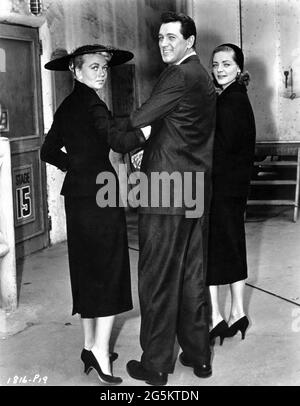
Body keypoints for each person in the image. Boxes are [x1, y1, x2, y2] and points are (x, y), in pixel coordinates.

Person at [41, 45, 148, 385]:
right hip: (100, 197)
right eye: (93, 67)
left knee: (89, 270)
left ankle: (90, 346)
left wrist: (78, 168)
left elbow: (48, 150)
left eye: (103, 67)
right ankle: (101, 353)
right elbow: (117, 141)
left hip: (78, 197)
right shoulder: (93, 104)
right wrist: (146, 132)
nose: (101, 72)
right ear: (75, 71)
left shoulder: (69, 104)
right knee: (108, 270)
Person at [126, 12, 216, 385]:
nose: (163, 44)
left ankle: (157, 364)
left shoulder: (179, 74)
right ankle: (199, 356)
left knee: (158, 276)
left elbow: (142, 117)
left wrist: (131, 139)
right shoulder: (203, 77)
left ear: (190, 41)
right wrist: (151, 146)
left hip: (166, 190)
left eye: (171, 38)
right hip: (196, 186)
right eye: (160, 38)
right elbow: (178, 125)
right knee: (193, 274)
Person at [206, 44, 256, 345]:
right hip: (234, 188)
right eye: (215, 64)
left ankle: (214, 317)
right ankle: (238, 313)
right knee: (234, 246)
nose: (220, 69)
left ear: (239, 68)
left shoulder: (228, 102)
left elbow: (216, 149)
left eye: (227, 64)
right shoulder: (237, 98)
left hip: (219, 188)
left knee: (210, 250)